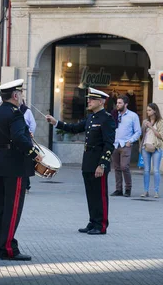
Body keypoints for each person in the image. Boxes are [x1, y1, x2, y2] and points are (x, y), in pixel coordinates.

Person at [47, 87, 115, 235]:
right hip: (88, 162)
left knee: (100, 195)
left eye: (92, 99)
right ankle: (93, 222)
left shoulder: (107, 119)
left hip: (98, 163)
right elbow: (74, 128)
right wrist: (56, 122)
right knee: (91, 194)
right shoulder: (91, 118)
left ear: (101, 101)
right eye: (88, 99)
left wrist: (102, 164)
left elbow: (109, 144)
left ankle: (101, 225)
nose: (88, 101)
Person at [0, 79, 42, 261]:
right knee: (13, 208)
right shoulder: (16, 114)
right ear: (15, 95)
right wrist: (33, 152)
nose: (21, 97)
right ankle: (8, 248)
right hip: (15, 164)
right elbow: (18, 137)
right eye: (20, 94)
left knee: (1, 208)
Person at [110, 95, 141, 197]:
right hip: (115, 144)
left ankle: (128, 189)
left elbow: (138, 132)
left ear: (126, 104)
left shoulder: (133, 116)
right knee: (117, 168)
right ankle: (118, 189)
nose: (117, 105)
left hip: (126, 144)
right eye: (117, 103)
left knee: (124, 167)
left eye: (120, 103)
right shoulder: (114, 115)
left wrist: (130, 141)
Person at [140, 103, 163, 198]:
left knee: (156, 170)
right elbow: (142, 135)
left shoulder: (160, 122)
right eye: (147, 110)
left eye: (149, 110)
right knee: (146, 170)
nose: (147, 112)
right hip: (145, 147)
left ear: (154, 111)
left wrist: (151, 127)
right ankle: (146, 191)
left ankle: (156, 191)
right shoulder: (145, 121)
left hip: (157, 147)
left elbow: (160, 136)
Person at [20, 100, 37, 194]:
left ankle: (26, 185)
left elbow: (33, 124)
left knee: (26, 162)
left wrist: (30, 133)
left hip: (25, 139)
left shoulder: (27, 111)